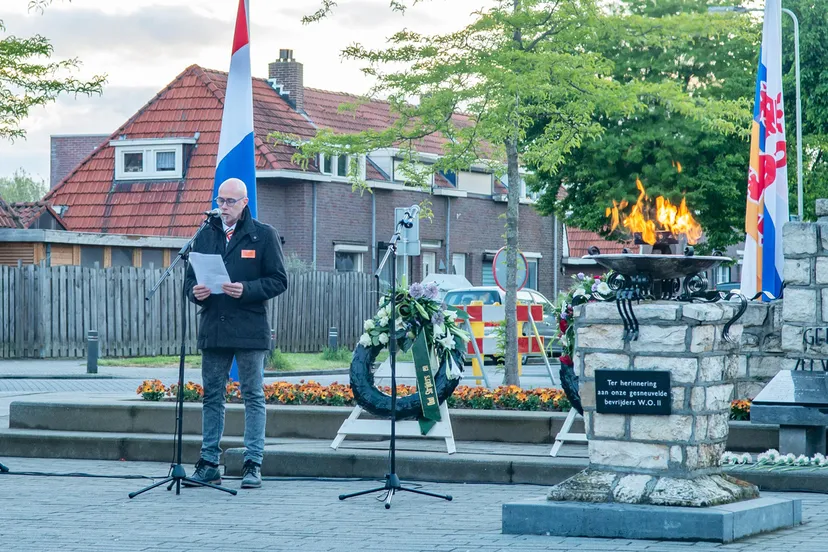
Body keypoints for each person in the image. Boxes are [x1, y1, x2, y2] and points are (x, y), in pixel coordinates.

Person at [184, 177, 287, 489]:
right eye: (220, 201)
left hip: (249, 327)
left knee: (252, 394)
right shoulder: (205, 234)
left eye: (230, 202)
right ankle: (208, 463)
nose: (223, 207)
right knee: (212, 395)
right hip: (214, 325)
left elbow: (279, 280)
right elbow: (189, 280)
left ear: (245, 203)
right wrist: (195, 292)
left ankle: (253, 463)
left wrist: (246, 289)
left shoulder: (263, 235)